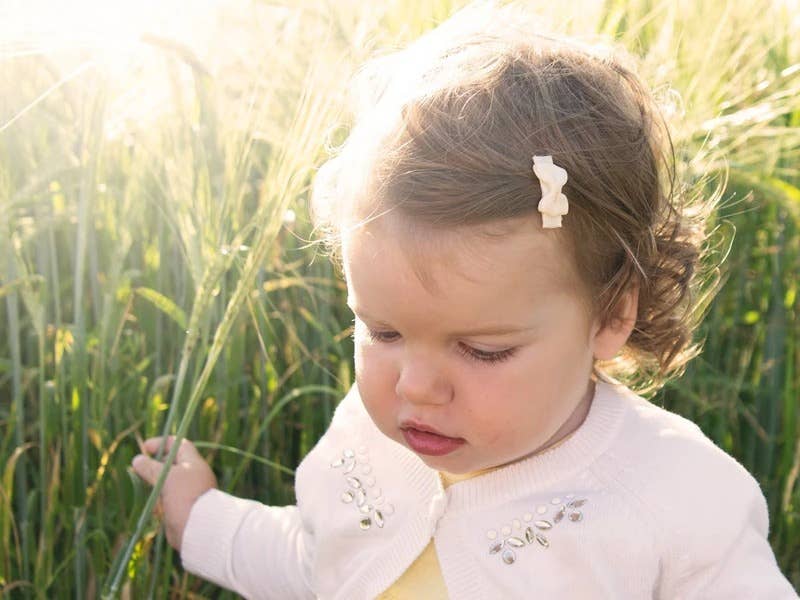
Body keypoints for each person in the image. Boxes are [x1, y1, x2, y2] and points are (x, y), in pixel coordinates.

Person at [131, 3, 799, 598]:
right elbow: (316, 564)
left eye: (483, 350)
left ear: (611, 315)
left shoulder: (677, 500)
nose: (415, 386)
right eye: (382, 333)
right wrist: (206, 519)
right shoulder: (366, 441)